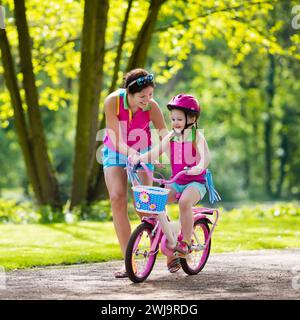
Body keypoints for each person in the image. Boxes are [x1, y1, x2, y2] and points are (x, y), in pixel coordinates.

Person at [131, 94, 211, 273]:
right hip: (176, 182)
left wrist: (198, 168)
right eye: (173, 119)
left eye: (179, 119)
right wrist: (138, 158)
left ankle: (186, 242)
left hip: (195, 183)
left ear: (192, 118)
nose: (175, 122)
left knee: (184, 202)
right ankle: (170, 233)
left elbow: (206, 157)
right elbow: (155, 152)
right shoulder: (171, 137)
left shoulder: (196, 136)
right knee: (155, 201)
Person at [102, 68, 167, 278]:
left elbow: (165, 135)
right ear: (128, 92)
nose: (147, 100)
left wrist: (155, 155)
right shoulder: (112, 102)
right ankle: (128, 261)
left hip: (143, 153)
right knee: (117, 198)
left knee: (146, 207)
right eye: (142, 96)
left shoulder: (152, 107)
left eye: (150, 95)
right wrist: (131, 154)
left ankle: (170, 248)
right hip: (115, 152)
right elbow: (115, 139)